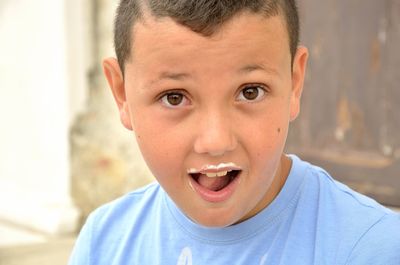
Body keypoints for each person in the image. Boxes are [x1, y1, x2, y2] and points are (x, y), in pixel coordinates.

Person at [69, 0, 400, 264]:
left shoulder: (371, 248)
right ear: (122, 93)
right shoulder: (105, 243)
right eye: (174, 97)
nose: (215, 142)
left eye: (250, 91)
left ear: (295, 82)